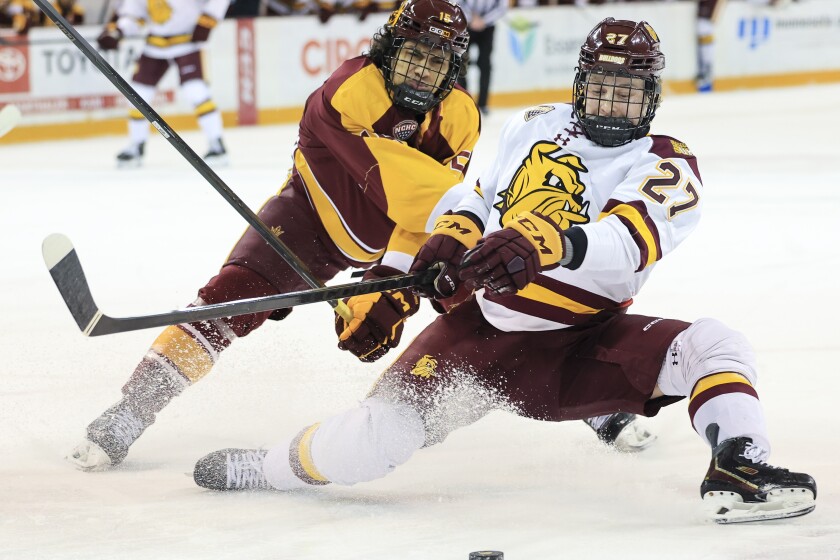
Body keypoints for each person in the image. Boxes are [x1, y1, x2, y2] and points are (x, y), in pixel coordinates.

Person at [193, 18, 817, 524]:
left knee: (714, 345)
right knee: (373, 442)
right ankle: (267, 468)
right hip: (481, 336)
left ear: (651, 96)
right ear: (580, 82)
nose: (611, 101)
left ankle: (740, 465)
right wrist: (450, 238)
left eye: (627, 90)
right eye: (601, 85)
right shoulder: (535, 123)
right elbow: (479, 194)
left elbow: (630, 240)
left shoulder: (665, 162)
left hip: (581, 345)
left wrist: (550, 242)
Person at [68, 0, 646, 472]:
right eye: (415, 55)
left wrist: (392, 281)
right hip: (312, 220)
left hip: (394, 232)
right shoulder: (351, 89)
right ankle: (131, 410)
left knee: (500, 290)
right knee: (229, 299)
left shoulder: (459, 115)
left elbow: (427, 213)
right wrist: (396, 279)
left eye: (437, 62)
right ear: (391, 50)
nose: (423, 72)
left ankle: (589, 400)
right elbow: (401, 187)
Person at [95, 0, 231, 167]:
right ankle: (136, 146)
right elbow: (134, 13)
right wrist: (117, 31)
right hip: (156, 44)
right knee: (137, 95)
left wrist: (209, 19)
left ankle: (217, 144)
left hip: (188, 42)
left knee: (196, 91)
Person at [454, 0, 506, 115]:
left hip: (487, 27)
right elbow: (458, 3)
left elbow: (502, 7)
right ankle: (464, 101)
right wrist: (471, 18)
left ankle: (483, 104)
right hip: (466, 25)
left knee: (485, 65)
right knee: (461, 63)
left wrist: (484, 21)